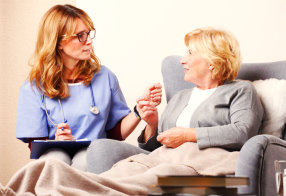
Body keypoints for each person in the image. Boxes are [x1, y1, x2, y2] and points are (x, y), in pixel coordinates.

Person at [86, 27, 264, 174]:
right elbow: (153, 148)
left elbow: (243, 133)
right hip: (159, 160)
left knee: (135, 181)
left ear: (211, 62)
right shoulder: (180, 97)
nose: (183, 60)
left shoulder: (241, 90)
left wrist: (188, 135)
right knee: (107, 176)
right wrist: (152, 125)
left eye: (190, 53)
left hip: (198, 163)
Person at [16, 4, 162, 171]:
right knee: (55, 158)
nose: (89, 41)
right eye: (80, 36)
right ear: (58, 42)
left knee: (85, 158)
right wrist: (57, 141)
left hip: (94, 153)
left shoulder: (105, 77)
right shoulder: (33, 87)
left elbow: (115, 134)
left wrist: (139, 110)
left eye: (89, 33)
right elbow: (35, 144)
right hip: (54, 152)